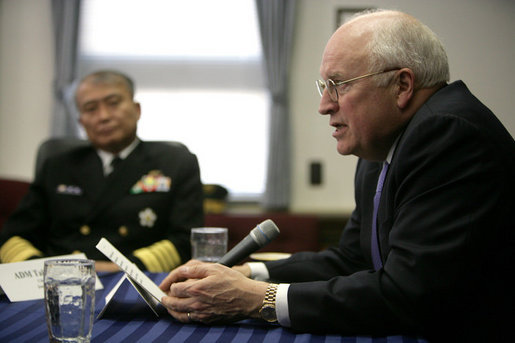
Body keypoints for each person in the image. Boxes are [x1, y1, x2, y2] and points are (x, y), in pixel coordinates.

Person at [158, 9, 515, 342]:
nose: (324, 105)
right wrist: (250, 274)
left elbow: (408, 294)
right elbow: (352, 260)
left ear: (402, 86)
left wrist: (257, 299)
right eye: (324, 86)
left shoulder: (448, 134)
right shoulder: (384, 144)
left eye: (339, 84)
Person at [0, 70, 204, 272]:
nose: (104, 116)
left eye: (113, 103)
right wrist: (39, 271)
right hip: (59, 283)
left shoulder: (175, 162)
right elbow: (13, 236)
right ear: (81, 122)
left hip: (135, 281)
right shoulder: (57, 166)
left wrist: (122, 269)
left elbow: (185, 238)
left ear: (136, 109)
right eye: (90, 109)